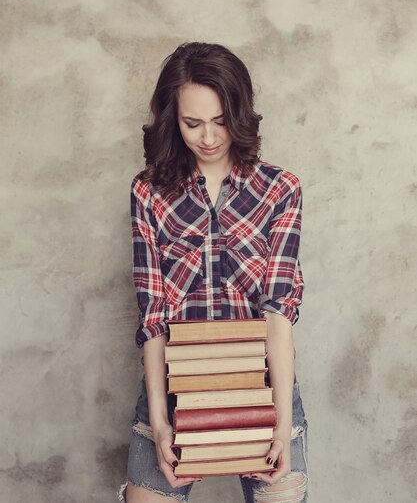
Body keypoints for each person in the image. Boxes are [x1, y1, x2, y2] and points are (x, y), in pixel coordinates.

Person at [118, 42, 308, 503]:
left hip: (261, 385)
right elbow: (153, 318)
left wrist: (281, 425)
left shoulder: (280, 190)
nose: (208, 136)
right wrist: (161, 426)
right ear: (171, 119)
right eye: (192, 122)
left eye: (220, 120)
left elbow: (279, 318)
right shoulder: (148, 192)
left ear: (239, 113)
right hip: (172, 389)